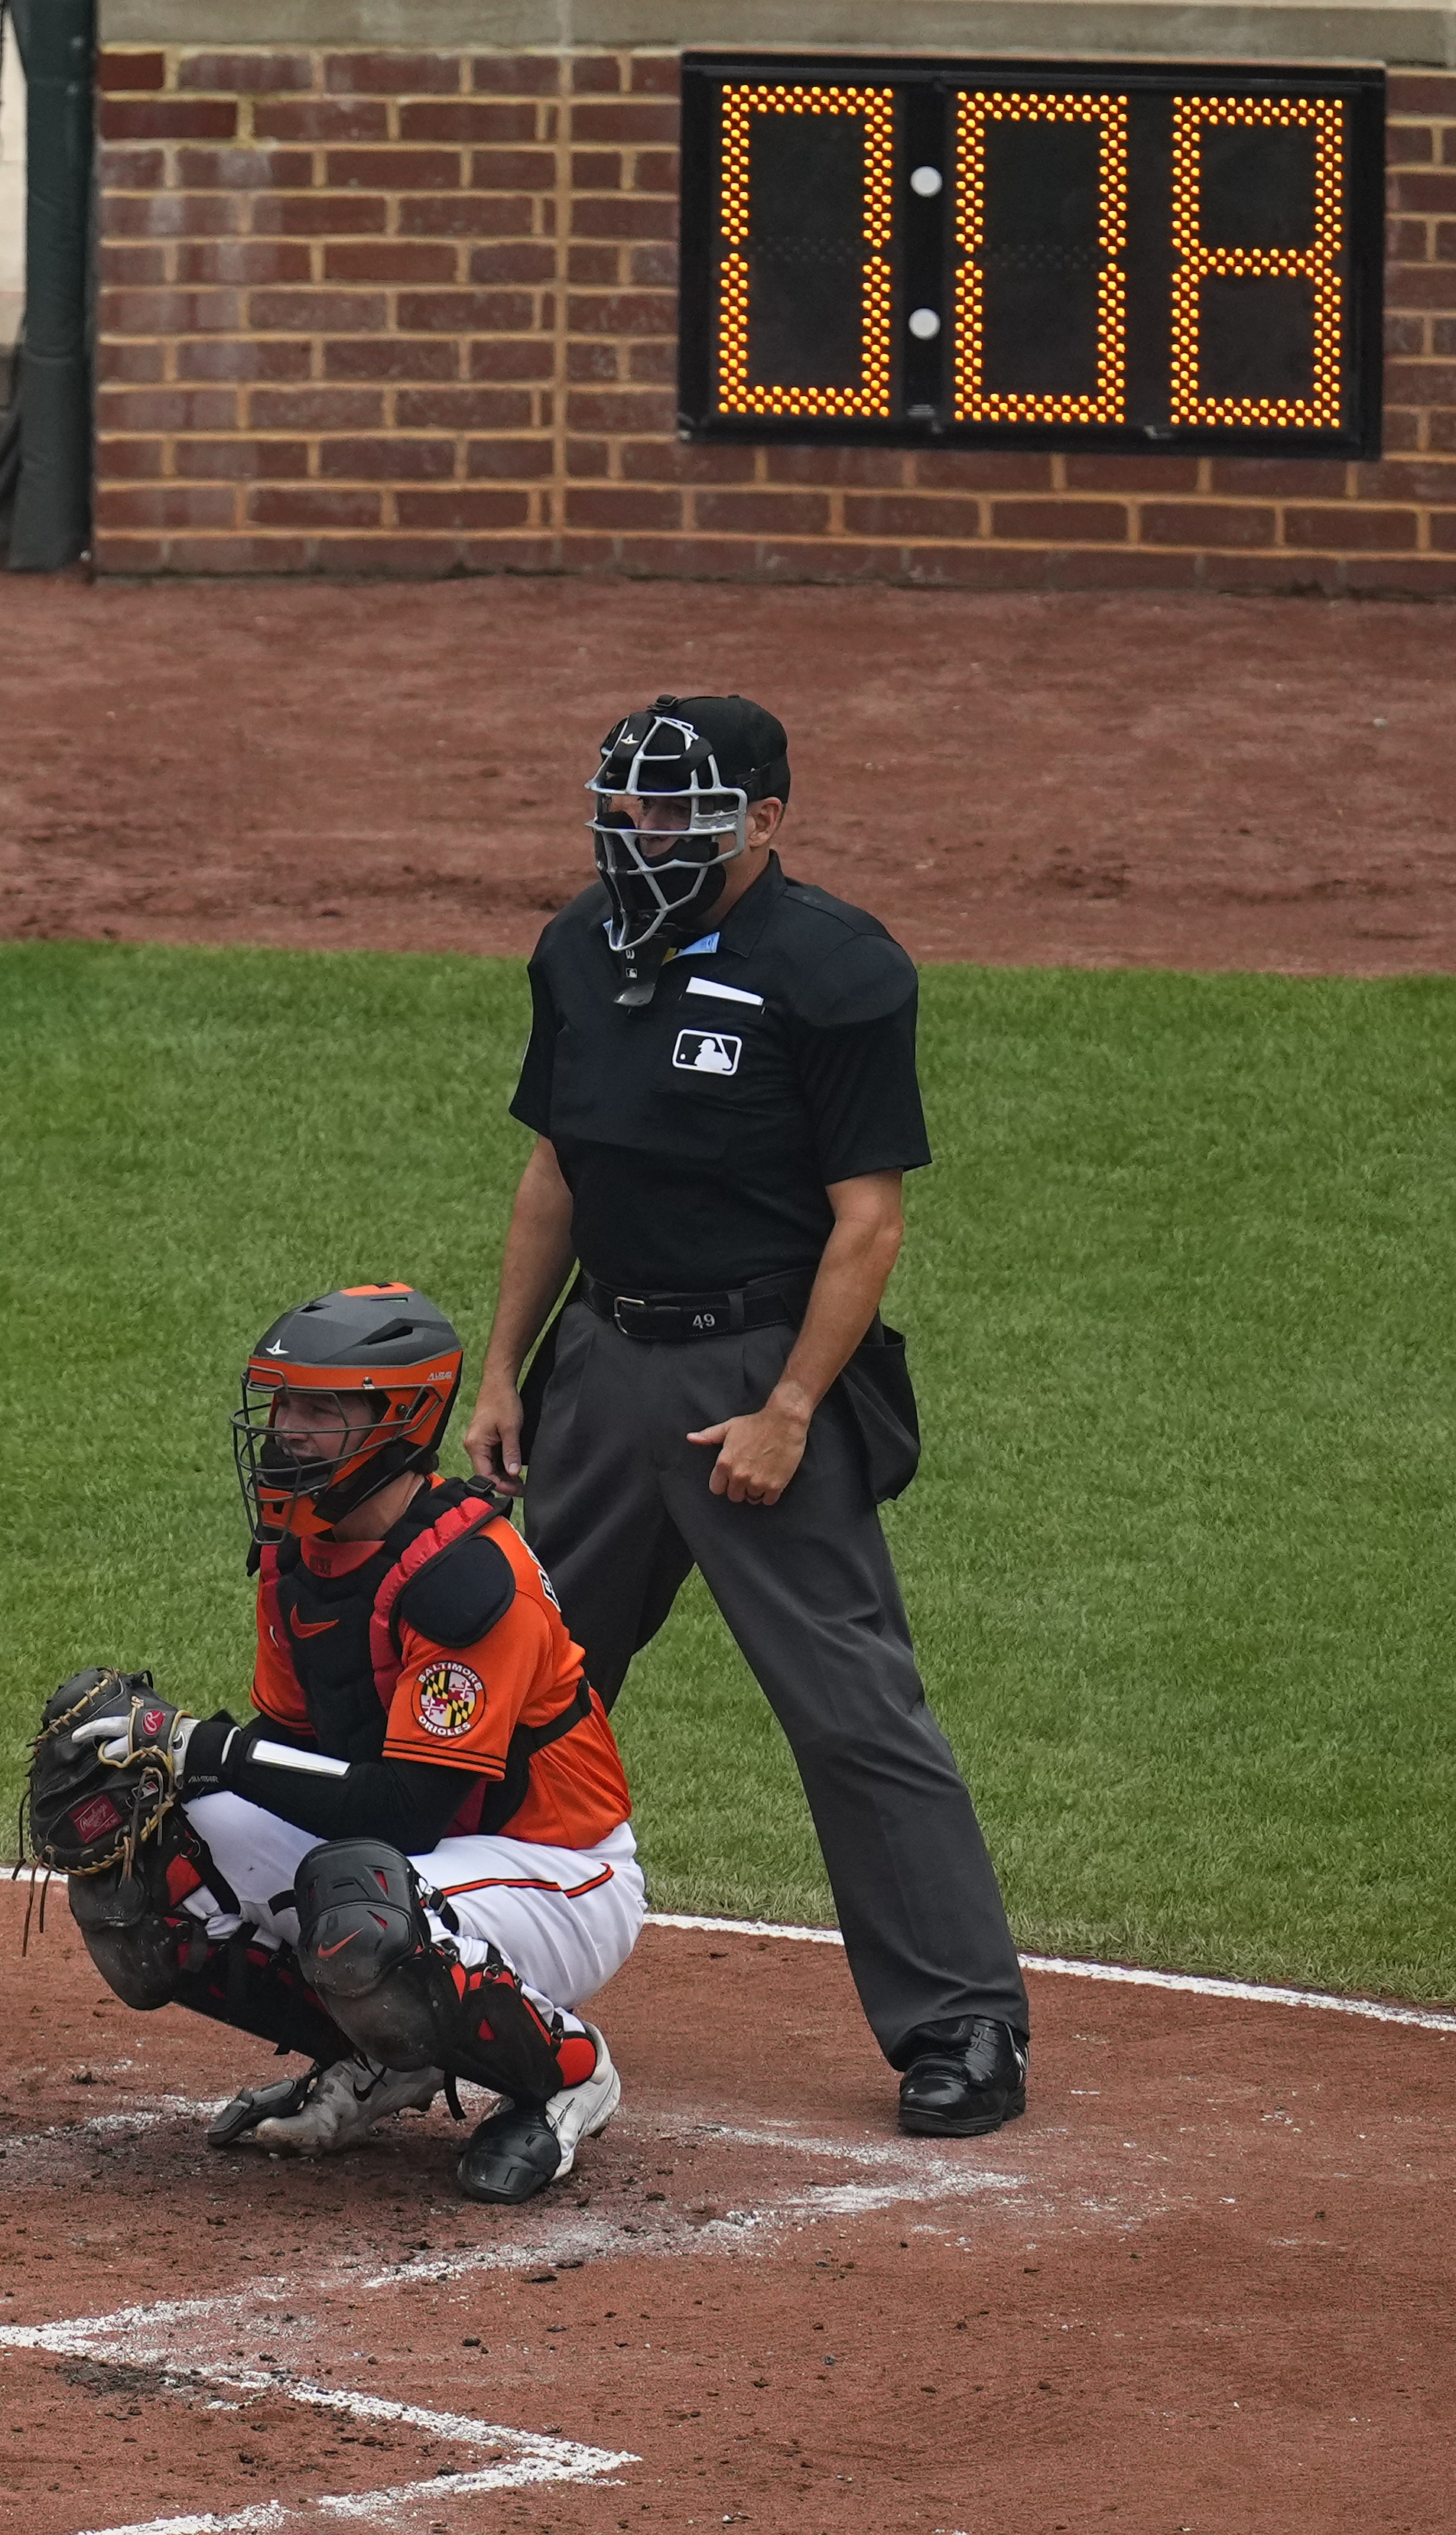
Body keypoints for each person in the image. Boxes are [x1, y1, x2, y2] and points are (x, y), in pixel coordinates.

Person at [463, 695, 1031, 2139]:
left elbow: (867, 1225)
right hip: (600, 1369)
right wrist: (505, 1367)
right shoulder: (573, 950)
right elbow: (555, 1176)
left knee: (851, 1710)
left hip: (755, 1379)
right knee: (519, 1685)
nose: (640, 838)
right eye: (627, 809)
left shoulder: (834, 973)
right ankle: (445, 1984)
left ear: (762, 823)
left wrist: (789, 1408)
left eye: (675, 815)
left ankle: (961, 2025)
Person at [52, 1285, 641, 2206]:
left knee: (358, 1896)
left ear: (398, 1422)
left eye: (319, 1408)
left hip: (558, 1873)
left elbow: (407, 1809)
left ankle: (566, 2074)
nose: (287, 1429)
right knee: (155, 1841)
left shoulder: (467, 1582)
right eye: (282, 1402)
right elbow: (292, 1755)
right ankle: (382, 2058)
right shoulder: (301, 1554)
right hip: (419, 1861)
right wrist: (175, 1763)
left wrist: (203, 1744)